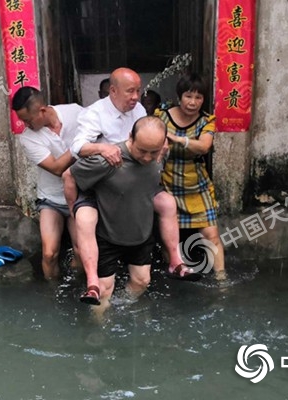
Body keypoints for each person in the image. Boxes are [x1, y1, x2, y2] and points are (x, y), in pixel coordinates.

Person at [63, 67, 190, 306]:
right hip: (101, 177)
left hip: (135, 180)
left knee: (166, 202)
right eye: (130, 91)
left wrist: (157, 148)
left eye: (138, 91)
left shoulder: (139, 110)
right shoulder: (95, 114)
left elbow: (147, 132)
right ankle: (92, 283)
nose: (136, 96)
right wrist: (103, 148)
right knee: (85, 220)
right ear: (112, 91)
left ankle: (175, 260)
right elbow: (77, 149)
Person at [68, 116, 167, 309]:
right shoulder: (109, 160)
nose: (147, 158)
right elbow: (69, 175)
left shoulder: (161, 155)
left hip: (140, 231)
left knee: (141, 281)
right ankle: (101, 331)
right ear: (131, 137)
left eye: (153, 152)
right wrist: (73, 210)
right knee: (104, 291)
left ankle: (121, 307)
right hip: (107, 233)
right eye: (142, 151)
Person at [156, 72, 226, 280]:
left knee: (211, 235)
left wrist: (177, 139)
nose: (193, 102)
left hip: (198, 184)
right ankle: (174, 273)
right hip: (168, 182)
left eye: (198, 97)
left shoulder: (207, 120)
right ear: (180, 96)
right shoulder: (162, 116)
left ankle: (221, 277)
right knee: (169, 239)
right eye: (188, 96)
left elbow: (204, 146)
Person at [12, 86, 82, 280]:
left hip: (80, 195)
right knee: (49, 253)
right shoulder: (27, 138)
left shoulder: (75, 113)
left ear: (42, 111)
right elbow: (57, 168)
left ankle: (79, 289)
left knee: (81, 251)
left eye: (27, 119)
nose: (24, 124)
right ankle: (52, 294)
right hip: (51, 199)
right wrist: (80, 145)